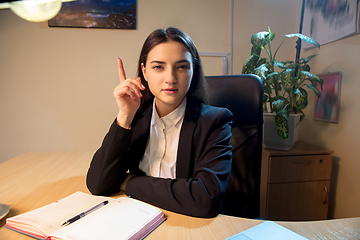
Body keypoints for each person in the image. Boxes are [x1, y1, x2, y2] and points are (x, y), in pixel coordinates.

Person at [86, 27, 233, 218]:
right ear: (144, 72)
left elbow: (205, 199)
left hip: (186, 225)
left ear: (193, 71)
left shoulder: (215, 122)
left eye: (181, 66)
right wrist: (124, 116)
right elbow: (98, 183)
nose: (170, 78)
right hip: (135, 218)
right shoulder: (136, 117)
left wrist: (127, 182)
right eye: (158, 67)